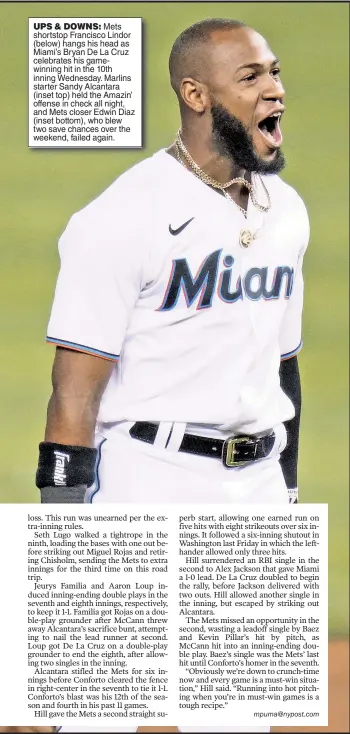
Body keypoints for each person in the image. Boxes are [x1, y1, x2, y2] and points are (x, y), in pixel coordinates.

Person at [33, 17, 309, 734]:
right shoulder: (119, 218)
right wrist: (63, 560)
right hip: (145, 479)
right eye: (251, 77)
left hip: (255, 488)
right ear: (195, 93)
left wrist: (288, 490)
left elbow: (285, 368)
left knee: (240, 719)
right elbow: (73, 396)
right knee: (99, 715)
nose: (275, 90)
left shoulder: (289, 214)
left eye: (275, 73)